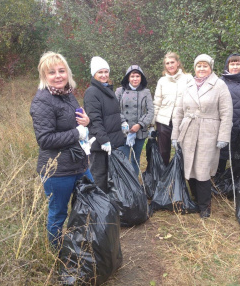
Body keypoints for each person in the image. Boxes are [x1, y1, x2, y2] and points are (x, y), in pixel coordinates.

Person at [30, 51, 92, 248]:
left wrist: (86, 122)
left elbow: (78, 120)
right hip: (57, 170)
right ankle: (57, 255)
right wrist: (77, 133)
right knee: (58, 214)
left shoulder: (68, 94)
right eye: (51, 72)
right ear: (44, 76)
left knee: (85, 206)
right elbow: (45, 139)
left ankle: (81, 247)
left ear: (68, 73)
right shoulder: (42, 101)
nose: (58, 76)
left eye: (61, 71)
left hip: (79, 164)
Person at [171, 54, 233, 218]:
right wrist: (175, 135)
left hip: (208, 132)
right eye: (199, 66)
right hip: (188, 130)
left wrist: (223, 136)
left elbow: (227, 113)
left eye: (205, 66)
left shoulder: (219, 85)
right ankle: (195, 200)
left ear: (211, 67)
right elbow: (178, 112)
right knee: (189, 167)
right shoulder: (188, 84)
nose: (202, 69)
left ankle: (205, 206)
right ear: (194, 67)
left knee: (203, 169)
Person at [84, 56, 126, 193]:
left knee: (110, 177)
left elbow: (112, 113)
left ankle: (108, 207)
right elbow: (95, 119)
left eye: (106, 72)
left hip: (111, 142)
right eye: (100, 72)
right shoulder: (92, 92)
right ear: (94, 74)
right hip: (100, 144)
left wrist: (122, 122)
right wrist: (104, 140)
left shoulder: (108, 90)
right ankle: (98, 208)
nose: (103, 75)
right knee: (98, 177)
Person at [151, 52, 193, 166]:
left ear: (178, 63)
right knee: (163, 151)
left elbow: (193, 100)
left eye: (172, 62)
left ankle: (180, 175)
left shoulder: (188, 79)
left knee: (182, 150)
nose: (170, 65)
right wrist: (152, 123)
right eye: (167, 63)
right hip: (163, 121)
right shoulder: (162, 81)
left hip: (181, 121)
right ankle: (164, 176)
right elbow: (157, 102)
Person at [115, 65, 154, 176]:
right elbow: (114, 109)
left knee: (135, 159)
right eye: (132, 76)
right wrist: (123, 122)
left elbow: (150, 111)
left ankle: (134, 184)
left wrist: (140, 125)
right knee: (123, 159)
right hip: (123, 131)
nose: (135, 79)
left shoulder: (146, 92)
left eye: (137, 76)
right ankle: (124, 184)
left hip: (140, 132)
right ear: (128, 77)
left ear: (141, 78)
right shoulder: (119, 91)